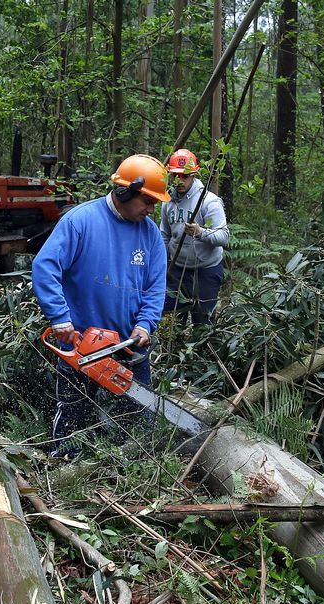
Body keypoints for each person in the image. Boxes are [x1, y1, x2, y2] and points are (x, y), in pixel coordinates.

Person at [32, 154, 170, 456]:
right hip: (81, 341)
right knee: (73, 413)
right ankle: (64, 465)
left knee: (137, 419)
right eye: (147, 202)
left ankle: (130, 469)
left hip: (128, 346)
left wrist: (145, 325)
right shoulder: (81, 221)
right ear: (125, 191)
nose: (150, 210)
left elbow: (155, 286)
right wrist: (59, 318)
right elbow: (45, 267)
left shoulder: (151, 235)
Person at [160, 149, 230, 325]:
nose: (180, 180)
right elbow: (165, 236)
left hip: (206, 270)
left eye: (185, 176)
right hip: (176, 270)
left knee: (203, 323)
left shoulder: (209, 201)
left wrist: (201, 232)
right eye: (176, 175)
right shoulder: (167, 202)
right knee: (173, 322)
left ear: (194, 175)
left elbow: (223, 236)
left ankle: (205, 352)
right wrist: (162, 264)